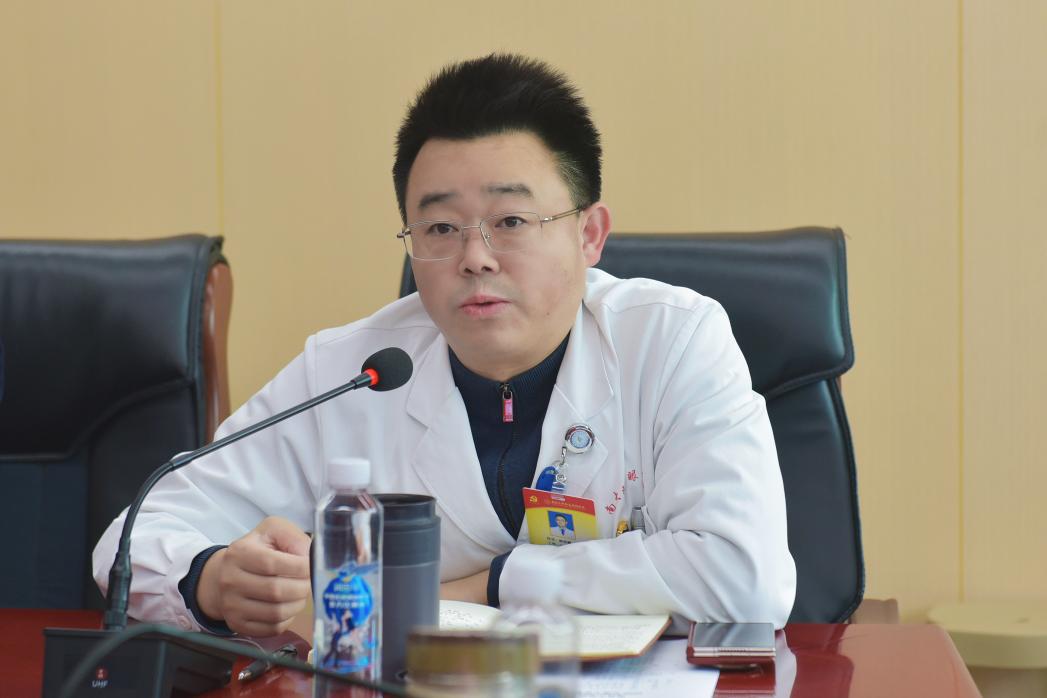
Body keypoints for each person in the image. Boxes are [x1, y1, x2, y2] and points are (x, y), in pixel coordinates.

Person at [93, 53, 795, 638]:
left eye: (510, 221)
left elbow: (746, 579)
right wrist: (212, 579)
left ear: (589, 234)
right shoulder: (352, 369)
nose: (475, 257)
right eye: (439, 228)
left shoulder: (671, 341)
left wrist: (492, 584)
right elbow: (135, 538)